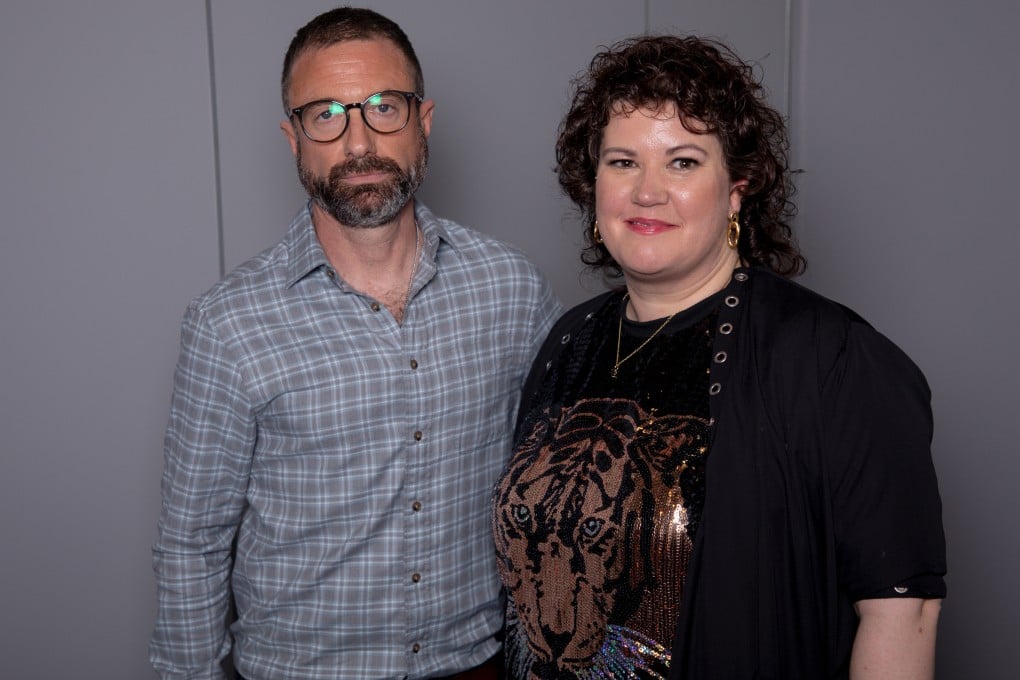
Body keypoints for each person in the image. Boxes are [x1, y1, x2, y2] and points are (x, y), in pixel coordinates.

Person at [492, 35, 946, 680]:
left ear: (737, 187)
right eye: (623, 162)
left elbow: (903, 612)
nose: (647, 191)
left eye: (682, 162)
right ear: (592, 184)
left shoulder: (832, 357)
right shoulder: (569, 339)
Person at [150, 7, 560, 679]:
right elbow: (191, 545)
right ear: (293, 138)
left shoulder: (511, 290)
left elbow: (558, 494)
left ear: (423, 121)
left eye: (383, 107)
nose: (357, 142)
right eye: (326, 115)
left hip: (479, 666)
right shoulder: (228, 325)